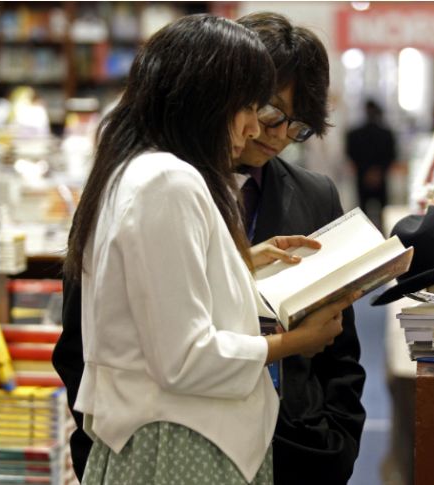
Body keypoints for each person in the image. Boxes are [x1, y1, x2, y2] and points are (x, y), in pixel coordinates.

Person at [55, 14, 357, 484]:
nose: (257, 130)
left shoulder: (132, 171)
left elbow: (157, 295)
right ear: (208, 99)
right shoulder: (170, 182)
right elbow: (185, 358)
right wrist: (297, 342)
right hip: (186, 441)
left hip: (183, 435)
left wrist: (238, 261)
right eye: (253, 109)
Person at [232, 13, 367, 485]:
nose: (279, 135)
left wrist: (340, 441)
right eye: (270, 114)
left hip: (299, 445)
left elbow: (342, 347)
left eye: (298, 126)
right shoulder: (172, 188)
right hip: (197, 439)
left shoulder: (315, 195)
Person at [345, 99, 397, 228]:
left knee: (363, 213)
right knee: (382, 214)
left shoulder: (354, 134)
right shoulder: (387, 133)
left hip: (363, 177)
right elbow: (392, 156)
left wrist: (365, 171)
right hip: (381, 178)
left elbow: (351, 154)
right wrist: (378, 172)